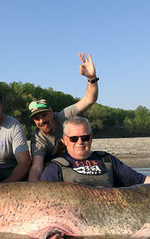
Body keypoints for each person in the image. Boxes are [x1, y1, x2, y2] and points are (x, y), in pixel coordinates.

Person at [40, 116, 150, 187]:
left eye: (85, 137)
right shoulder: (55, 169)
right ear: (64, 140)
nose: (80, 142)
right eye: (74, 138)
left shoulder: (107, 160)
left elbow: (142, 180)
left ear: (91, 138)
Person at [28, 53, 99, 181]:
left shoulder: (64, 116)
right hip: (56, 169)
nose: (42, 120)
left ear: (51, 112)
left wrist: (91, 78)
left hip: (78, 160)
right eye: (37, 118)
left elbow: (89, 99)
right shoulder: (38, 139)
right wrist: (31, 189)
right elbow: (36, 167)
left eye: (44, 115)